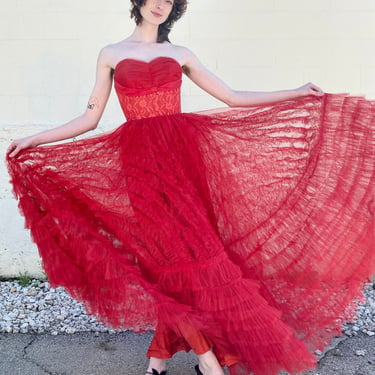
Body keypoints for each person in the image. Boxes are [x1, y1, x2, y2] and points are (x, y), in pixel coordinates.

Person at [6, 1, 375, 375]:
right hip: (141, 169)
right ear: (138, 2)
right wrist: (35, 140)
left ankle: (158, 362)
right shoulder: (111, 54)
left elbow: (231, 97)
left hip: (184, 164)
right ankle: (207, 360)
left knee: (189, 259)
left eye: (170, 1)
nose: (161, 5)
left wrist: (294, 92)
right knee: (168, 261)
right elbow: (89, 116)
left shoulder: (180, 53)